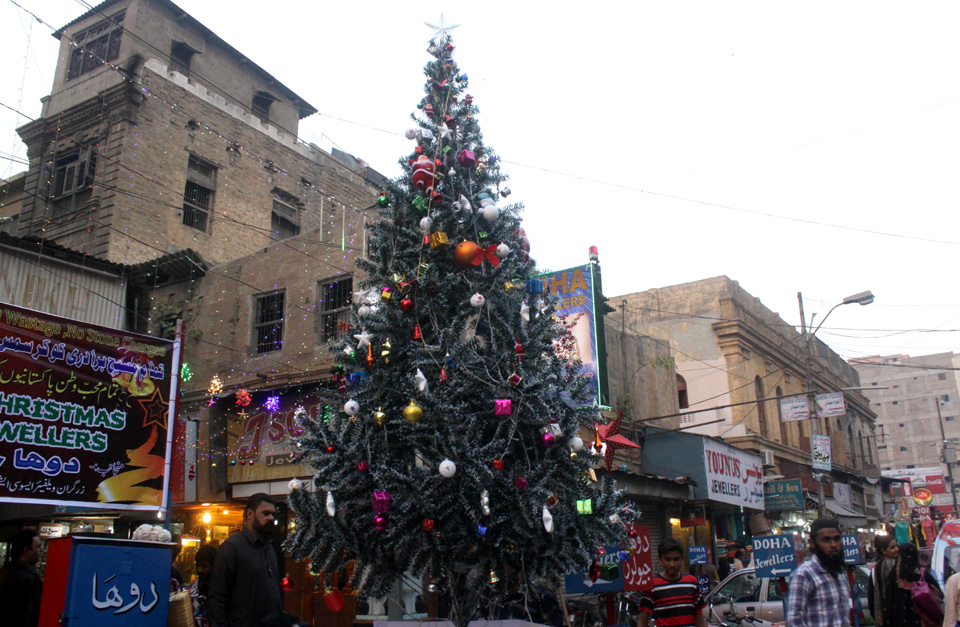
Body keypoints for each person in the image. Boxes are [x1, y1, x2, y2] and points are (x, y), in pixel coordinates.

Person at [207, 493, 283, 627]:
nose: (271, 518)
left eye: (273, 514)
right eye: (265, 513)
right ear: (249, 514)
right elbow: (217, 597)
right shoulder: (232, 548)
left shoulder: (269, 547)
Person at [786, 519, 851, 627]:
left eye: (837, 539)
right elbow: (794, 621)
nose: (833, 545)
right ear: (812, 543)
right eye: (826, 540)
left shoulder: (838, 573)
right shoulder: (804, 575)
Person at [639, 538, 706, 627]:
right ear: (660, 559)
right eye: (667, 559)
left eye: (676, 559)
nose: (672, 564)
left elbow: (699, 617)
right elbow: (643, 620)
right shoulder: (652, 586)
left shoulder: (691, 582)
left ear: (683, 558)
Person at [884, 542, 943, 627]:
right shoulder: (922, 574)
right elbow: (939, 595)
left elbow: (888, 605)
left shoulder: (893, 577)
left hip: (900, 621)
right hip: (923, 621)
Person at [0, 529, 43, 627]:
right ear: (27, 550)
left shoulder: (5, 572)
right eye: (38, 546)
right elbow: (27, 615)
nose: (42, 550)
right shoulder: (27, 579)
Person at [868, 534, 898, 627]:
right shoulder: (895, 566)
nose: (897, 549)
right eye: (893, 547)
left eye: (897, 546)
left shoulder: (875, 569)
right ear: (883, 551)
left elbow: (871, 600)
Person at [191, 543, 218, 627]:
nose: (199, 570)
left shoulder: (222, 590)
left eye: (204, 566)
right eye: (198, 566)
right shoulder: (194, 589)